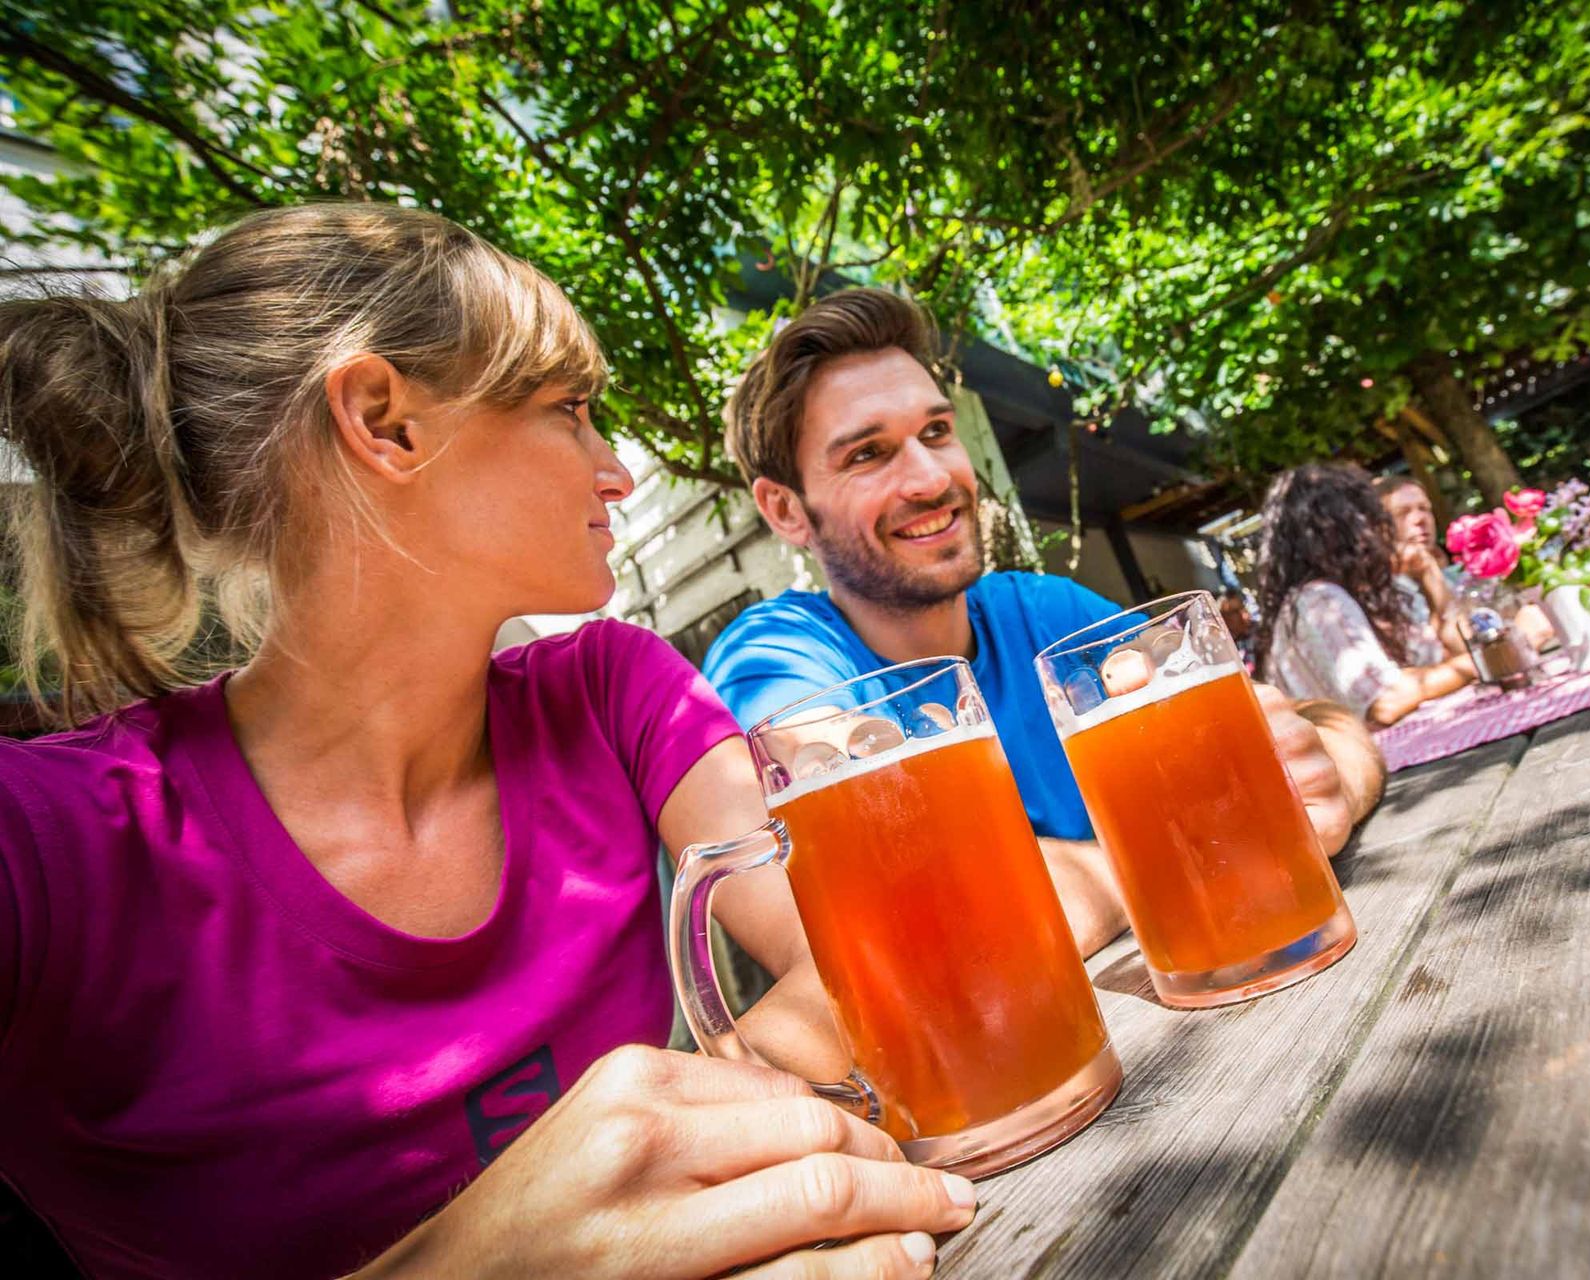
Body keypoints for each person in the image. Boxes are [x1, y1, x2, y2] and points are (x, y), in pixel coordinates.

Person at [0, 205, 972, 1280]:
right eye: (572, 409)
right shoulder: (43, 840)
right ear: (385, 421)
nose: (618, 469)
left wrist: (676, 1153)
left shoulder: (612, 687)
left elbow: (863, 942)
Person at [700, 288, 1385, 927]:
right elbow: (928, 899)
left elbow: (1311, 721)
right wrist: (1197, 851)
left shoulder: (1045, 611)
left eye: (937, 433)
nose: (933, 478)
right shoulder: (776, 657)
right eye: (869, 453)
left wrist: (1329, 782)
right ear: (786, 509)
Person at [1251, 465, 1481, 727]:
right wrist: (1478, 662)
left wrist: (1431, 576)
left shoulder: (1355, 594)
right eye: (1370, 518)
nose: (1379, 530)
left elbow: (1438, 658)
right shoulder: (1318, 601)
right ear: (1342, 529)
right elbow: (1385, 702)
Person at [1372, 475, 1465, 656]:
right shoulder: (1384, 596)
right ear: (1379, 527)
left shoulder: (1455, 576)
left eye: (1424, 509)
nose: (1420, 519)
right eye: (1403, 512)